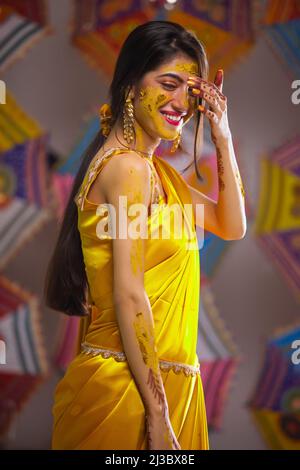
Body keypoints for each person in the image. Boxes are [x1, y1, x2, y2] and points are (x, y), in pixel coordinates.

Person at [45, 20, 246, 450]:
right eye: (168, 83)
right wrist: (157, 414)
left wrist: (222, 134)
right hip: (129, 392)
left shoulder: (156, 174)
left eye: (190, 92)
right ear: (131, 84)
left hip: (169, 388)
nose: (181, 103)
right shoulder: (128, 169)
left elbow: (232, 225)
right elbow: (129, 292)